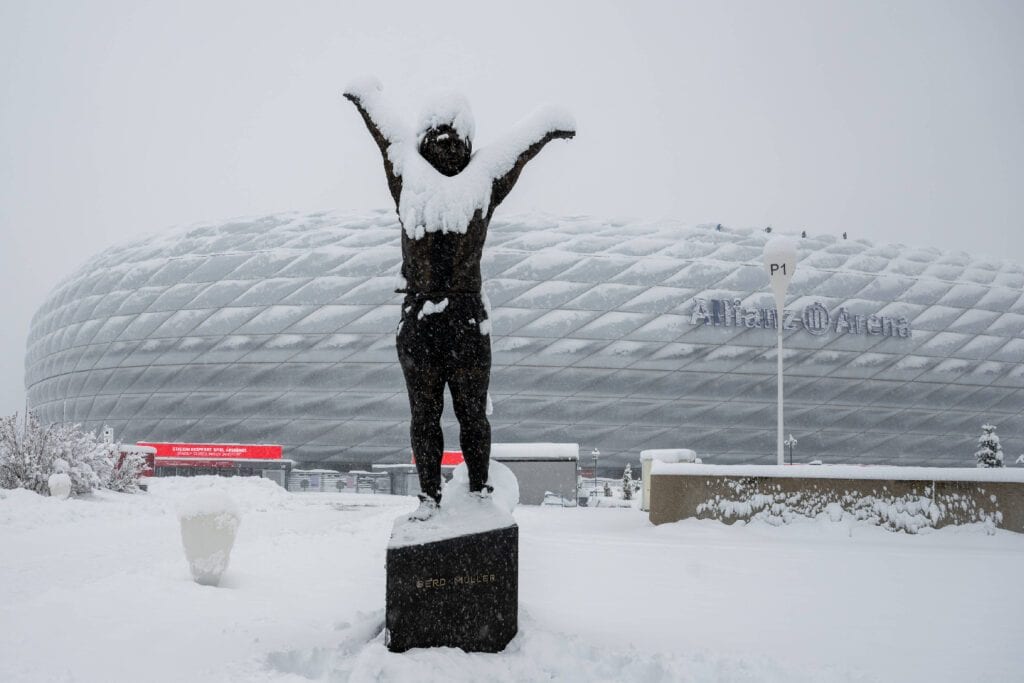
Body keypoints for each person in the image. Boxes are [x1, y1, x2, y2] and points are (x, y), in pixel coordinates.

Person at [343, 80, 575, 520]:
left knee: (462, 417)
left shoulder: (459, 179)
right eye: (440, 135)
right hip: (441, 319)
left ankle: (473, 491)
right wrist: (365, 98)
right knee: (434, 416)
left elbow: (516, 146)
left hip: (450, 319)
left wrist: (546, 127)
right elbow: (387, 132)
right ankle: (437, 495)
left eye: (454, 135)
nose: (447, 143)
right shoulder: (428, 177)